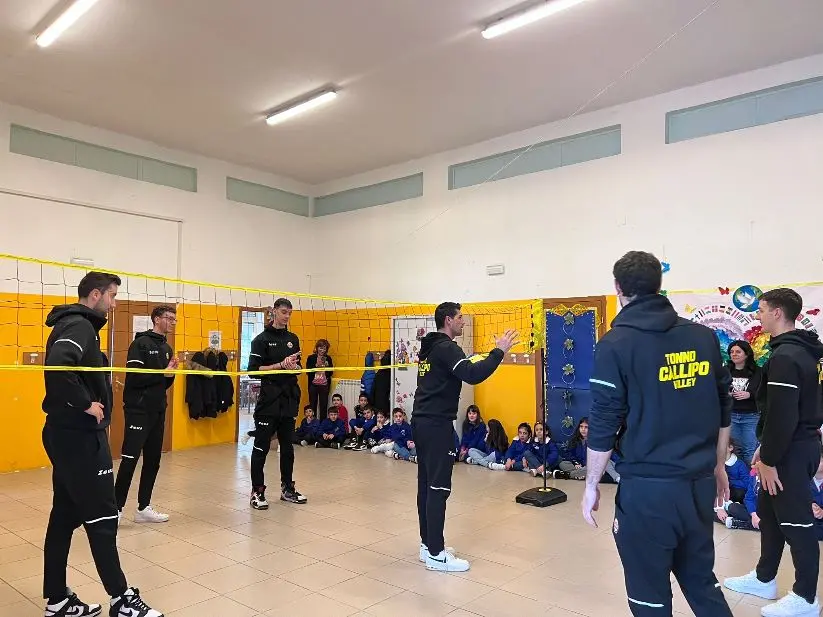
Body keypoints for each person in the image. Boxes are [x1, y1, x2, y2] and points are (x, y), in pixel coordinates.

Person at [582, 251, 733, 617]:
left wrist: (591, 485)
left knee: (649, 595)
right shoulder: (703, 337)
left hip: (649, 491)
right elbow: (723, 407)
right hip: (698, 484)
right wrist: (717, 465)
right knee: (701, 581)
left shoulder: (615, 344)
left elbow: (604, 422)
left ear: (618, 287)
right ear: (658, 284)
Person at [42, 271, 163, 617]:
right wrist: (85, 403)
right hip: (79, 437)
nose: (114, 303)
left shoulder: (78, 325)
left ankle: (57, 600)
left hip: (66, 434)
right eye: (112, 296)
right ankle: (121, 600)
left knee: (64, 516)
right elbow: (58, 366)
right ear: (95, 295)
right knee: (104, 516)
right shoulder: (79, 326)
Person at [724, 288, 823, 616]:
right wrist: (764, 447)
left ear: (778, 312)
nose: (758, 316)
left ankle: (806, 598)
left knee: (797, 522)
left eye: (762, 310)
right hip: (785, 445)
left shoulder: (787, 356)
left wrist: (769, 459)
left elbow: (784, 416)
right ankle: (764, 578)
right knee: (768, 513)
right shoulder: (794, 350)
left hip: (792, 449)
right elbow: (778, 412)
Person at [412, 301, 517, 572]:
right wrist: (499, 351)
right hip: (436, 425)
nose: (463, 321)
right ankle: (436, 554)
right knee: (438, 488)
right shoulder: (447, 348)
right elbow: (473, 375)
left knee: (426, 486)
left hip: (422, 422)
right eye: (459, 317)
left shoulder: (430, 348)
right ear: (448, 320)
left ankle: (428, 545)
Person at [114, 304, 178, 524]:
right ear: (157, 319)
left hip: (158, 409)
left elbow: (163, 384)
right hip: (138, 410)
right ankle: (116, 510)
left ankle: (143, 508)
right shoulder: (140, 344)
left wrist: (170, 374)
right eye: (169, 318)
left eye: (174, 319)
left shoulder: (167, 347)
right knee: (130, 460)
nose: (172, 322)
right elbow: (135, 377)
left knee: (153, 460)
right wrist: (162, 373)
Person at [247, 298, 307, 509]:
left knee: (288, 448)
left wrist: (293, 367)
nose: (287, 316)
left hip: (288, 400)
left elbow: (298, 367)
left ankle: (287, 489)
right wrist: (280, 365)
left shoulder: (293, 339)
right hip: (269, 401)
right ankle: (257, 492)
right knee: (261, 448)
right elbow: (253, 371)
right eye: (283, 312)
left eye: (290, 313)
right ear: (274, 312)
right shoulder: (261, 340)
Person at [727, 339, 763, 464]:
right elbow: (716, 389)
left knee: (749, 451)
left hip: (751, 416)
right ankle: (739, 476)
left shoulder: (759, 372)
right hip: (731, 415)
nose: (734, 354)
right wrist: (726, 394)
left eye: (738, 352)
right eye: (731, 352)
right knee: (734, 450)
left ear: (747, 354)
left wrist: (750, 394)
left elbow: (765, 392)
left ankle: (750, 476)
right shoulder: (725, 371)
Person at [306, 339, 333, 420]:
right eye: (320, 348)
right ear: (317, 348)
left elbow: (331, 372)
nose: (322, 350)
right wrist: (316, 366)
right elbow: (308, 372)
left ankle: (322, 424)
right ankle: (312, 424)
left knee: (323, 406)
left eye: (324, 348)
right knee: (312, 406)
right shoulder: (311, 358)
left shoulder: (328, 358)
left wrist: (327, 367)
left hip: (324, 385)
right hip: (313, 385)